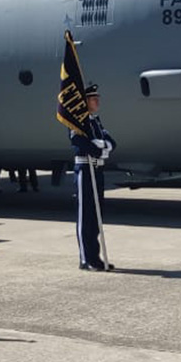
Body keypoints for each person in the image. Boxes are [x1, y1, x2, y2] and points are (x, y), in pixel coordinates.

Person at [69, 84, 115, 271]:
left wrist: (101, 145)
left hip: (97, 169)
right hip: (85, 169)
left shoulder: (95, 121)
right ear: (85, 102)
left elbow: (112, 142)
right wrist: (99, 148)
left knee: (96, 216)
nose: (97, 101)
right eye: (93, 99)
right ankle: (85, 259)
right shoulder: (78, 123)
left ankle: (95, 258)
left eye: (97, 98)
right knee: (85, 216)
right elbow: (80, 142)